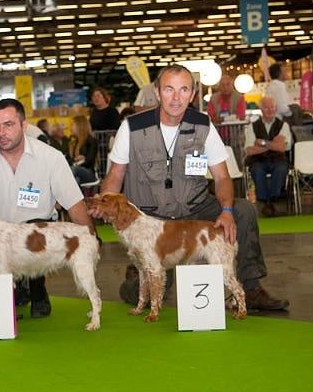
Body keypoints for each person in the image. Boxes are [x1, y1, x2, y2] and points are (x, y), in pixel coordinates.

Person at [94, 65, 289, 311]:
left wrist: (226, 211)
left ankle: (250, 289)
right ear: (157, 92)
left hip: (195, 208)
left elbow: (222, 177)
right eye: (169, 89)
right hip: (152, 218)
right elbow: (116, 173)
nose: (176, 97)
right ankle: (136, 275)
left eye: (184, 89)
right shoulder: (132, 127)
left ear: (193, 94)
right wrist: (105, 200)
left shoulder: (203, 125)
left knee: (243, 210)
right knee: (146, 294)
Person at [0, 99, 94, 318]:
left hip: (37, 239)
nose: (1, 133)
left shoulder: (51, 157)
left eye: (8, 125)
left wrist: (92, 236)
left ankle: (36, 287)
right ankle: (19, 287)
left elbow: (74, 203)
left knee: (33, 230)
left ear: (24, 126)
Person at [244, 96, 292, 217]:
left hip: (278, 159)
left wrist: (263, 143)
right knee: (257, 170)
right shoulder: (252, 126)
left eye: (272, 107)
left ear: (275, 108)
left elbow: (283, 148)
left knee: (281, 168)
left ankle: (272, 201)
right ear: (261, 109)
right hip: (258, 160)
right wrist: (273, 144)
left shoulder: (284, 125)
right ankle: (265, 202)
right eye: (266, 107)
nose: (270, 110)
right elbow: (249, 151)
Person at [207, 75, 247, 144]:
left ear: (232, 85)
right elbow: (210, 117)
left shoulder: (239, 98)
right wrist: (231, 118)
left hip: (236, 138)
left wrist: (221, 119)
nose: (225, 87)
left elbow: (241, 116)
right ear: (219, 87)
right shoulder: (213, 98)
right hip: (217, 138)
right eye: (222, 85)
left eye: (228, 84)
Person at [69, 114, 99, 184]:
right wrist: (75, 160)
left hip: (89, 173)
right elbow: (69, 160)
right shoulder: (73, 143)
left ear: (79, 126)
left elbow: (90, 160)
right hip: (77, 172)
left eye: (72, 125)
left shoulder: (92, 141)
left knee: (75, 169)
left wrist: (84, 159)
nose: (70, 127)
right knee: (76, 180)